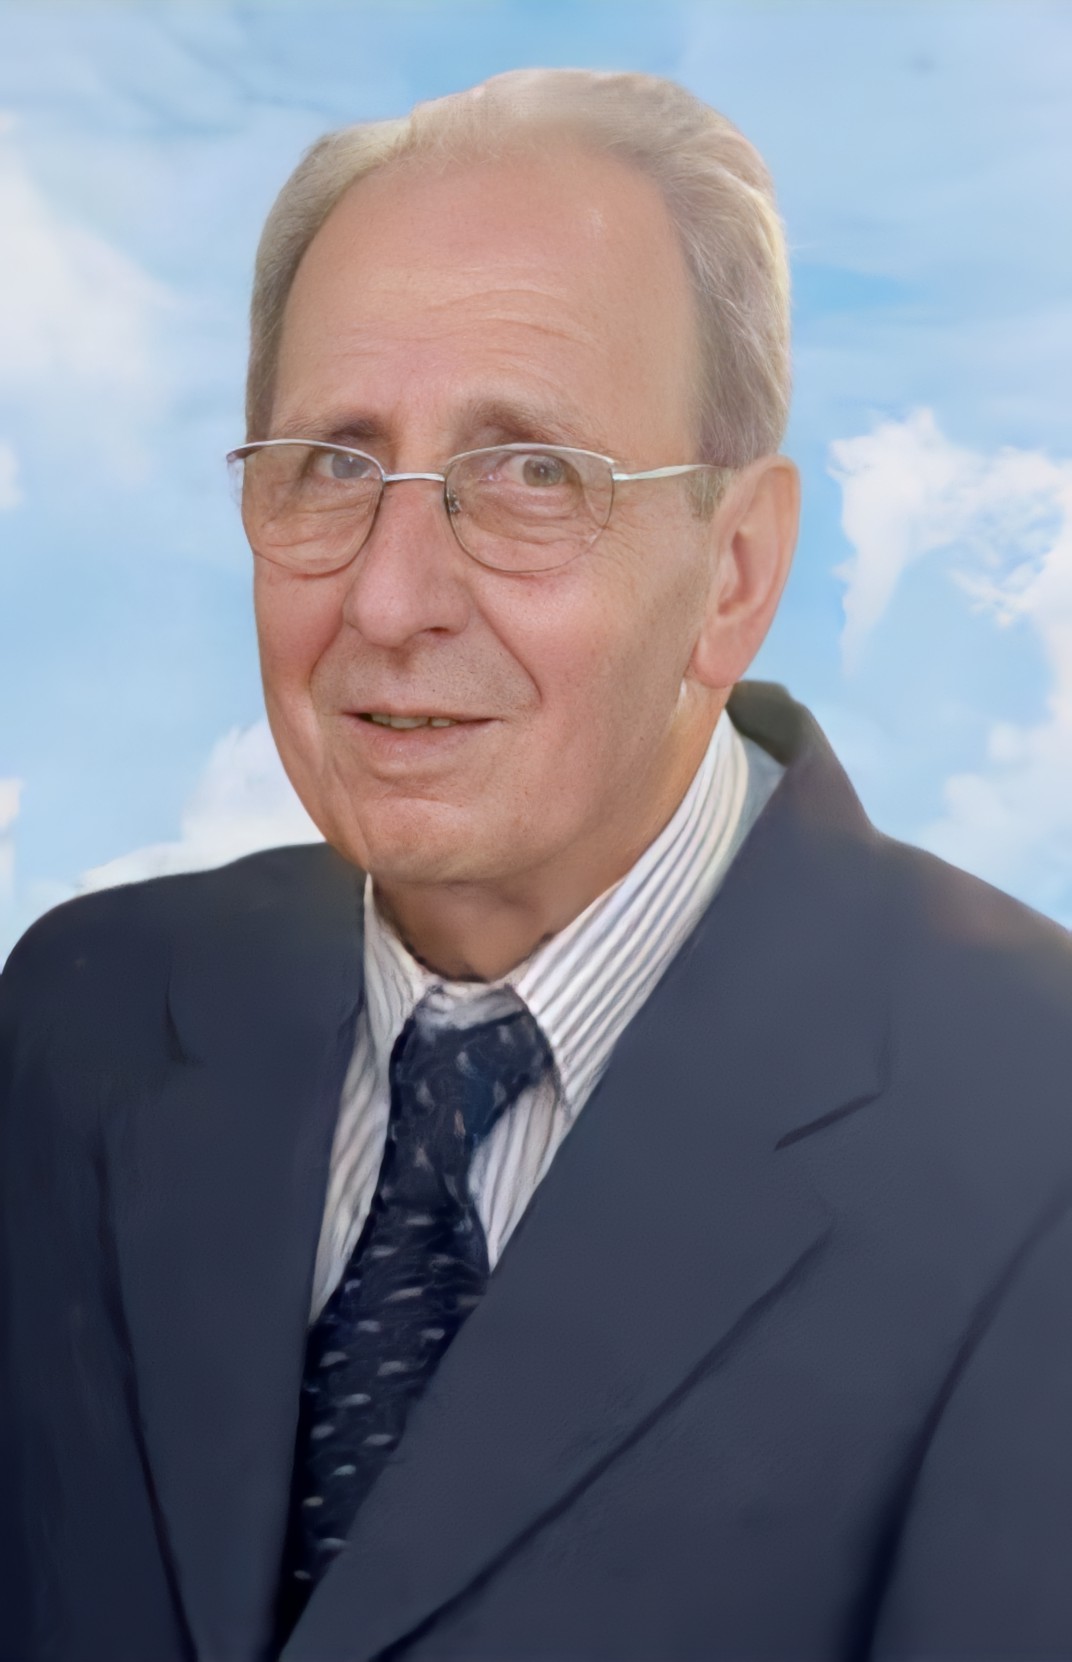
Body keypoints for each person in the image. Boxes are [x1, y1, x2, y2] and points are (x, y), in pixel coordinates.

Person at [2, 66, 1071, 1662]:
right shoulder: (82, 1017)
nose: (388, 601)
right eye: (332, 464)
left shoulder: (1032, 1117)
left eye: (531, 475)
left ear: (735, 571)